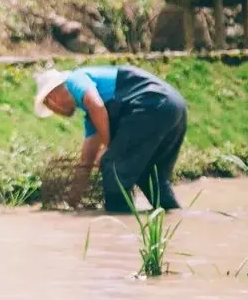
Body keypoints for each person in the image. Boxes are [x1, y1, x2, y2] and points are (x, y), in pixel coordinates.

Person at [33, 65, 188, 213]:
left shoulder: (75, 79)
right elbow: (86, 163)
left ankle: (119, 227)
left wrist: (107, 147)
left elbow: (97, 105)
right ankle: (175, 219)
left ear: (51, 99)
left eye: (50, 108)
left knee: (112, 167)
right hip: (173, 106)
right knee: (151, 178)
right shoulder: (92, 116)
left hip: (150, 104)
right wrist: (73, 199)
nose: (56, 112)